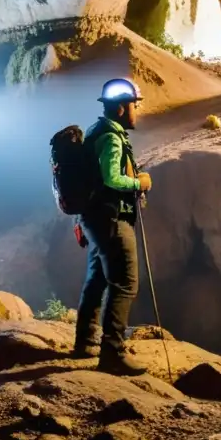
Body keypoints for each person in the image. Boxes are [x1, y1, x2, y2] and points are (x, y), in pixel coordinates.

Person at [73, 78, 153, 376]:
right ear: (121, 108)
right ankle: (112, 352)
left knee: (97, 278)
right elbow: (111, 179)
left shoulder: (96, 130)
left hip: (95, 218)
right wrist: (139, 182)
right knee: (125, 283)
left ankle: (85, 341)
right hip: (111, 219)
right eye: (135, 105)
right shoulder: (111, 137)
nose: (137, 111)